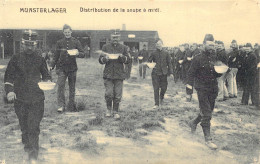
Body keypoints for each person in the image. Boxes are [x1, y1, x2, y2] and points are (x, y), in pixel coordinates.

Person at [4, 30, 51, 161]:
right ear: (22, 44)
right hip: (20, 99)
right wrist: (10, 91)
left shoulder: (40, 59)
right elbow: (8, 77)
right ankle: (27, 145)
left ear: (36, 45)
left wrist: (47, 81)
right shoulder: (15, 59)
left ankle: (33, 156)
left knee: (34, 126)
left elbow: (46, 75)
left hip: (37, 98)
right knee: (24, 126)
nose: (30, 47)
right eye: (27, 44)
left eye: (32, 45)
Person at [186, 34, 222, 149]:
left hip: (213, 89)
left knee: (208, 111)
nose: (212, 47)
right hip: (201, 89)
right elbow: (190, 74)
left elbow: (216, 73)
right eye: (209, 45)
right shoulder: (197, 58)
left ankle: (193, 123)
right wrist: (189, 91)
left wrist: (222, 71)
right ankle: (208, 140)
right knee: (207, 114)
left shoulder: (215, 58)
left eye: (213, 45)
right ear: (203, 45)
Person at [51, 24, 85, 112]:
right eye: (65, 32)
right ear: (63, 32)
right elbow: (56, 56)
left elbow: (83, 54)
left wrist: (78, 53)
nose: (67, 34)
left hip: (72, 68)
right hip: (61, 68)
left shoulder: (76, 42)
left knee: (72, 87)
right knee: (60, 86)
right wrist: (52, 65)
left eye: (68, 32)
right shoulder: (59, 42)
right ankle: (61, 106)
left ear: (71, 32)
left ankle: (71, 105)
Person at [99, 31, 130, 119]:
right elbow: (100, 60)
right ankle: (108, 110)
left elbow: (128, 60)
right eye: (113, 37)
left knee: (118, 94)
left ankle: (116, 111)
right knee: (109, 93)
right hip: (108, 74)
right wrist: (105, 59)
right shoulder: (105, 47)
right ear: (110, 38)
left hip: (119, 74)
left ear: (119, 38)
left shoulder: (123, 47)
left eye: (116, 37)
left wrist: (122, 57)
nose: (115, 39)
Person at [148, 39, 173, 109]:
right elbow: (149, 61)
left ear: (162, 44)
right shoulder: (153, 53)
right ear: (155, 45)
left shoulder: (166, 53)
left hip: (164, 73)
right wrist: (149, 64)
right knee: (156, 88)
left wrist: (171, 72)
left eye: (159, 43)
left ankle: (161, 97)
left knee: (164, 88)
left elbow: (169, 63)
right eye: (157, 44)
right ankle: (156, 104)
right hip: (155, 73)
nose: (158, 45)